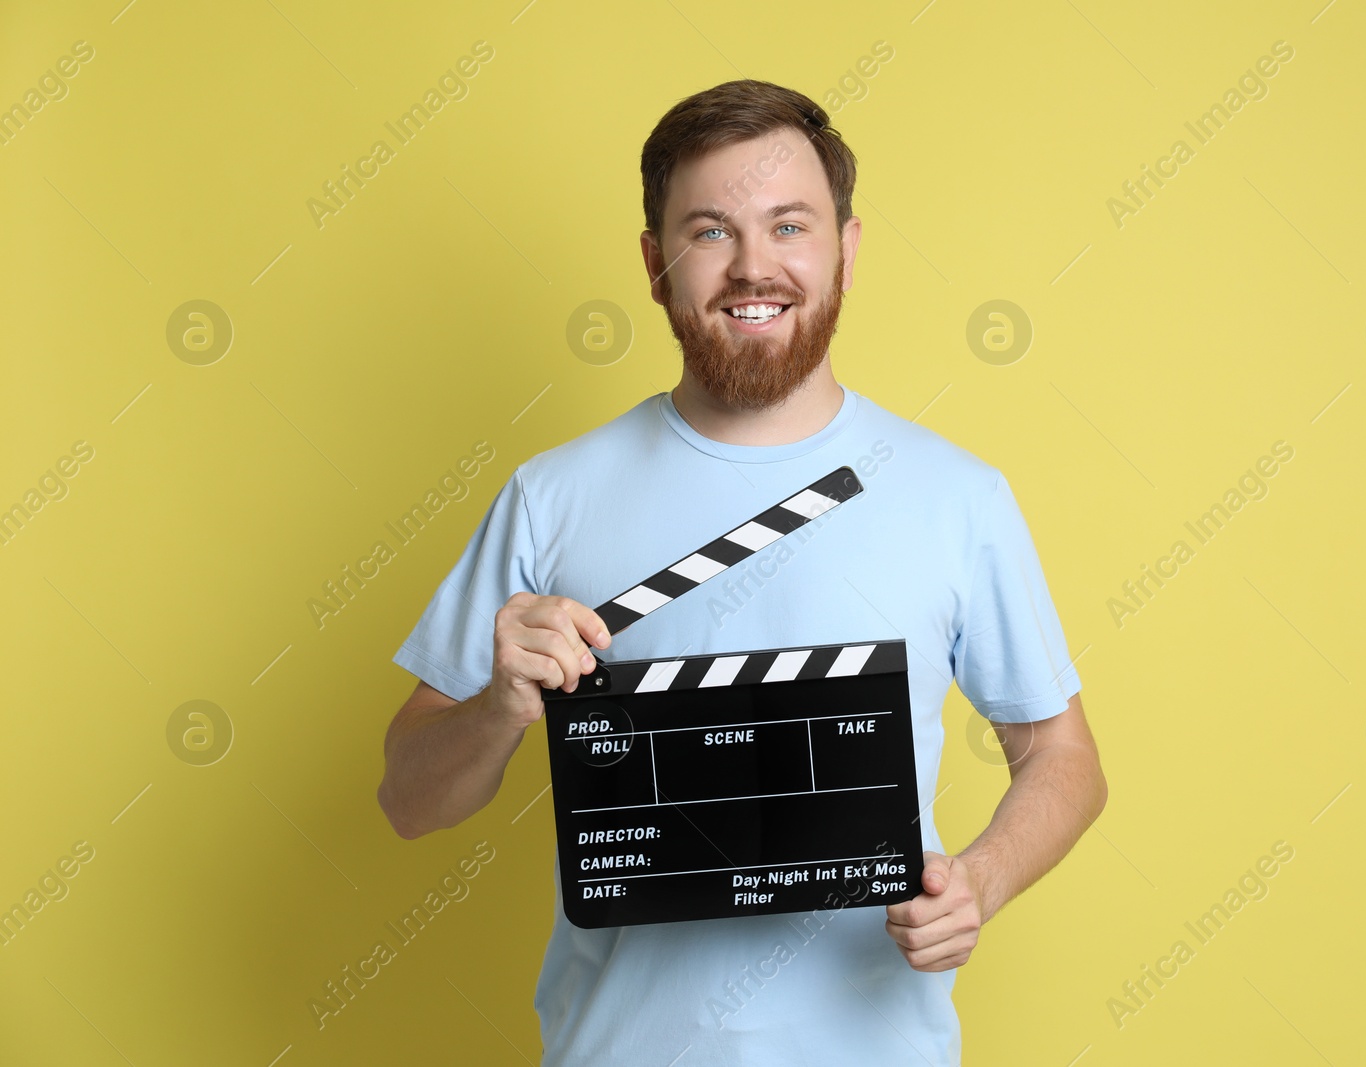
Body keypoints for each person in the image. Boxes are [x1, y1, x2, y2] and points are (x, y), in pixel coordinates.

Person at [378, 78, 1108, 1066]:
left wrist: (982, 878)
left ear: (844, 249)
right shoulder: (552, 497)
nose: (754, 266)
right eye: (711, 231)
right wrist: (501, 704)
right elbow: (409, 800)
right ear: (654, 263)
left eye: (789, 225)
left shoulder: (956, 496)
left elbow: (1063, 757)